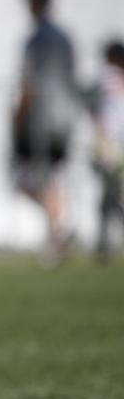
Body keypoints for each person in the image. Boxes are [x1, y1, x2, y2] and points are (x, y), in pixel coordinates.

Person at [11, 0, 78, 264]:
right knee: (51, 178)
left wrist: (18, 117)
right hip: (64, 116)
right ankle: (58, 231)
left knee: (31, 179)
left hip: (41, 118)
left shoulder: (35, 40)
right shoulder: (65, 38)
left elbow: (30, 85)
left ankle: (59, 226)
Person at [92, 39, 124, 259]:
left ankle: (103, 245)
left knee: (111, 195)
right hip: (115, 144)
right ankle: (103, 244)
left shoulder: (108, 79)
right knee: (111, 194)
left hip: (110, 145)